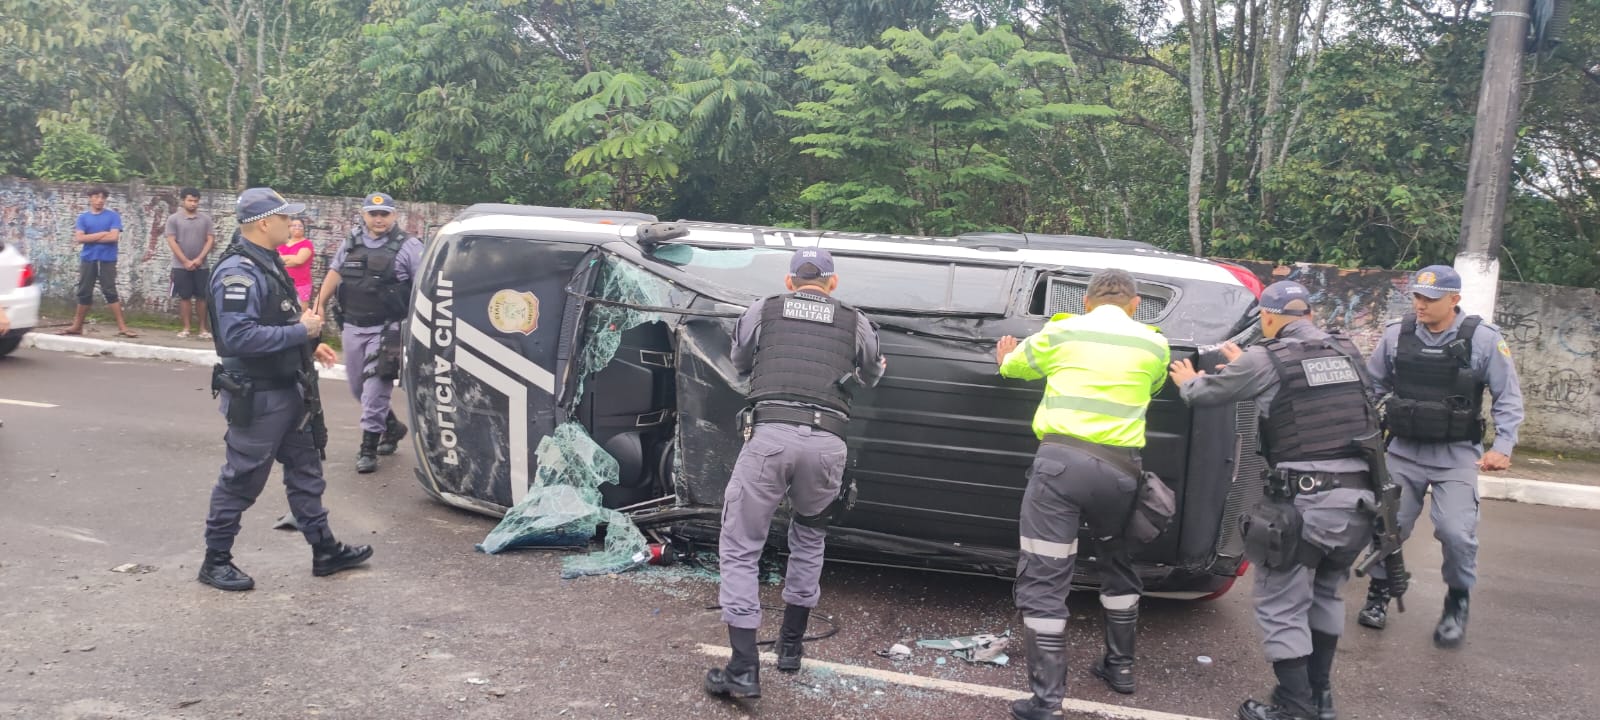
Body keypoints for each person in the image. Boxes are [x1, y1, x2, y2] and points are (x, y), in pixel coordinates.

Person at [1169, 280, 1381, 720]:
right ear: (1308, 315)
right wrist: (1246, 365)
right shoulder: (1346, 350)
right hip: (1361, 504)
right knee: (1326, 596)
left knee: (1281, 604)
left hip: (1308, 506)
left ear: (1267, 318)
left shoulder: (1265, 358)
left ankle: (1292, 707)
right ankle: (1320, 700)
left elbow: (1206, 395)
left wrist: (1190, 381)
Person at [704, 247, 887, 699]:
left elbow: (741, 362)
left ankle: (744, 670)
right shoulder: (855, 320)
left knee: (742, 546)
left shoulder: (763, 310)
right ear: (833, 282)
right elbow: (871, 374)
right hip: (827, 445)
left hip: (769, 438)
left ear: (790, 282)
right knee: (808, 539)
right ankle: (790, 650)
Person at [995, 269, 1169, 720]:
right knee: (1117, 562)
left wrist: (1007, 355)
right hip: (1122, 471)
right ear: (1134, 304)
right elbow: (1152, 387)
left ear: (1087, 303)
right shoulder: (1154, 343)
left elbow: (1015, 368)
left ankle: (1046, 701)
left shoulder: (1062, 330)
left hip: (1061, 467)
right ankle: (1120, 667)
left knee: (1047, 575)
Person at [197, 187, 372, 592]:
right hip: (257, 398)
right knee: (241, 479)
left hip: (290, 391)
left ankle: (324, 550)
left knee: (306, 471)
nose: (291, 224)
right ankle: (215, 559)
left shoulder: (267, 263)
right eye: (284, 218)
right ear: (263, 223)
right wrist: (300, 331)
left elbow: (276, 318)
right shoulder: (237, 272)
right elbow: (238, 337)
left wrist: (308, 343)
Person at [1355, 265, 1524, 648]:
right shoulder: (1397, 335)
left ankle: (1457, 600)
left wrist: (1503, 447)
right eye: (1417, 297)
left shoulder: (1483, 339)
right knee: (1389, 526)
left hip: (1456, 454)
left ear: (1454, 299)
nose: (1421, 305)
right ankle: (1380, 594)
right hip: (1403, 450)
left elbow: (1508, 397)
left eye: (1430, 299)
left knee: (1455, 531)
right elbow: (1372, 387)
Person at [313, 192, 421, 474]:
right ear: (364, 215)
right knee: (357, 388)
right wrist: (319, 305)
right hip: (353, 324)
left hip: (388, 328)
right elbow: (335, 274)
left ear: (394, 215)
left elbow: (424, 285)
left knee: (375, 387)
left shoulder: (408, 246)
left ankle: (368, 448)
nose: (379, 218)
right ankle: (393, 427)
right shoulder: (351, 243)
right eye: (373, 214)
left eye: (384, 213)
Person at [61, 186, 137, 337]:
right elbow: (80, 238)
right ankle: (77, 326)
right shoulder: (83, 217)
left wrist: (92, 237)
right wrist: (103, 233)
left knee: (109, 291)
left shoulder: (113, 216)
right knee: (84, 292)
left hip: (107, 259)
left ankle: (122, 327)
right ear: (90, 198)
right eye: (96, 197)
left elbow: (113, 237)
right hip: (88, 258)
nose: (99, 200)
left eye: (102, 198)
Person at [163, 187, 216, 339]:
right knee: (184, 297)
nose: (193, 204)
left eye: (196, 201)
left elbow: (210, 239)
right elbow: (171, 241)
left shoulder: (205, 219)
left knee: (202, 297)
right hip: (180, 266)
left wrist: (200, 258)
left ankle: (203, 329)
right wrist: (185, 261)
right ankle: (186, 328)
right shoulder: (174, 219)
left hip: (202, 265)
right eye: (190, 200)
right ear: (183, 201)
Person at [279, 219, 315, 304]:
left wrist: (282, 259)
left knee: (301, 311)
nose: (297, 228)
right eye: (294, 225)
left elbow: (299, 260)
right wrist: (292, 258)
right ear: (288, 228)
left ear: (304, 229)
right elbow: (276, 260)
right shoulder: (282, 243)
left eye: (300, 226)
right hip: (282, 283)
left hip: (301, 283)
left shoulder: (306, 244)